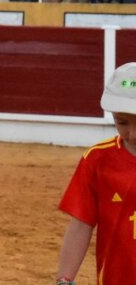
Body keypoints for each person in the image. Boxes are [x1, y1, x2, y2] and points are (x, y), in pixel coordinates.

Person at [57, 62, 136, 285]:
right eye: (122, 122)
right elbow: (81, 224)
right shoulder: (98, 159)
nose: (132, 134)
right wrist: (65, 279)